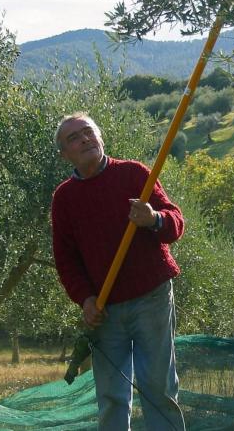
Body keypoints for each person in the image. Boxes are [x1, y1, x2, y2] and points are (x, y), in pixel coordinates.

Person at [51, 112, 186, 431]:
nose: (84, 139)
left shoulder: (135, 174)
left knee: (158, 388)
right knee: (111, 395)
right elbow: (66, 260)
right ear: (64, 154)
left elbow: (175, 223)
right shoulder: (64, 199)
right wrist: (85, 299)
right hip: (105, 309)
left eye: (88, 132)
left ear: (100, 138)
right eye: (73, 138)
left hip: (151, 297)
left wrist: (154, 219)